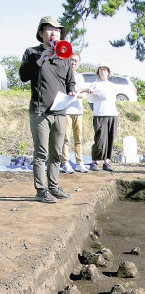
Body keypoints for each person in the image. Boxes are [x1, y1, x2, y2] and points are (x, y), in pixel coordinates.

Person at [19, 15, 75, 203]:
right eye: (49, 29)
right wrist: (41, 59)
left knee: (56, 153)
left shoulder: (65, 55)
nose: (54, 33)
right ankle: (41, 191)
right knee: (41, 153)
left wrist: (73, 91)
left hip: (60, 111)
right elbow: (24, 76)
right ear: (41, 32)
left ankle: (54, 186)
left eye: (57, 30)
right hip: (40, 111)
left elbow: (70, 80)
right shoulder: (32, 52)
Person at [60, 52, 89, 173]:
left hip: (78, 111)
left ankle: (79, 162)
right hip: (66, 110)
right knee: (65, 138)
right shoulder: (62, 74)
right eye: (72, 60)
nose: (74, 62)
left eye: (76, 61)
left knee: (78, 138)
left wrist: (77, 94)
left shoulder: (80, 77)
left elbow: (83, 93)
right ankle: (65, 162)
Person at [86, 64, 119, 172]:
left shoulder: (112, 85)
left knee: (110, 139)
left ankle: (107, 161)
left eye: (105, 69)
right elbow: (90, 100)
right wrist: (90, 92)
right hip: (99, 114)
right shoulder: (95, 84)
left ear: (108, 72)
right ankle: (94, 161)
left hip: (112, 114)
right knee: (100, 139)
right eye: (100, 69)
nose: (102, 71)